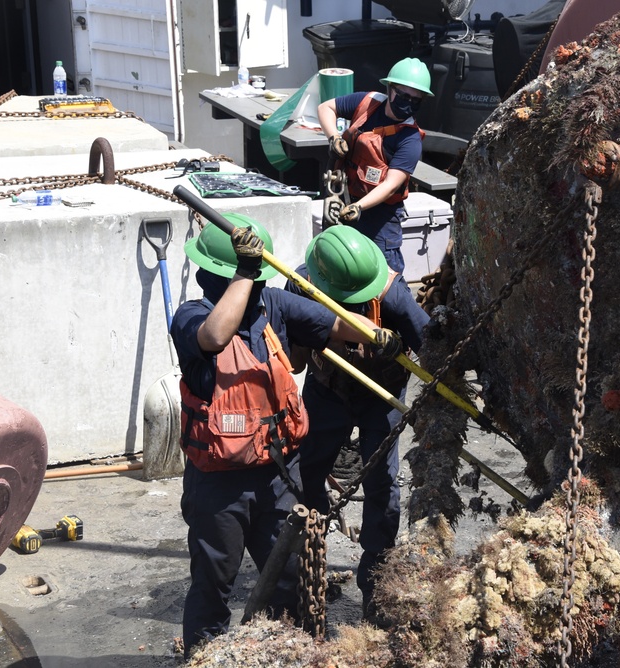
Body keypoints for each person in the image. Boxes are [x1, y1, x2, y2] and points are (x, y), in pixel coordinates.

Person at [170, 214, 400, 658]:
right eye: (249, 276)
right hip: (220, 487)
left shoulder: (272, 306)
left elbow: (333, 323)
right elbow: (215, 336)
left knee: (292, 577)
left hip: (277, 476)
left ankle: (286, 654)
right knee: (214, 583)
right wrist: (245, 271)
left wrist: (375, 334)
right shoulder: (191, 317)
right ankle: (204, 657)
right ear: (227, 274)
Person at [288, 225, 431, 620]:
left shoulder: (394, 294)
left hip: (380, 397)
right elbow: (295, 361)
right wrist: (310, 333)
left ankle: (375, 583)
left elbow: (434, 352)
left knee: (383, 485)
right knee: (305, 474)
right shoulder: (303, 285)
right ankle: (308, 567)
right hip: (326, 390)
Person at [317, 57, 434, 274]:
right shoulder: (367, 103)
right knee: (336, 264)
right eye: (403, 96)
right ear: (390, 90)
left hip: (380, 216)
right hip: (342, 196)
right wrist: (334, 137)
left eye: (415, 100)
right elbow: (325, 108)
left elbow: (390, 185)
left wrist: (358, 207)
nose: (408, 103)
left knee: (383, 274)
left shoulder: (410, 140)